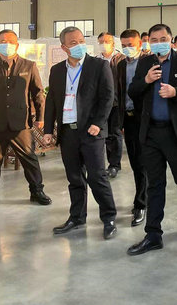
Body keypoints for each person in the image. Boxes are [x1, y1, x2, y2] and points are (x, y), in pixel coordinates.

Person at [127, 24, 177, 256]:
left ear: (171, 41)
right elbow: (133, 91)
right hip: (151, 132)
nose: (158, 42)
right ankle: (153, 235)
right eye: (154, 39)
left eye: (163, 39)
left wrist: (176, 92)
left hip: (176, 132)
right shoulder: (145, 63)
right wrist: (146, 80)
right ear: (148, 42)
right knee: (155, 184)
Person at [44, 27, 117, 240]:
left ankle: (109, 218)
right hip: (68, 131)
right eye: (73, 43)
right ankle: (77, 217)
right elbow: (51, 101)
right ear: (64, 47)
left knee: (97, 176)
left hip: (91, 131)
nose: (79, 45)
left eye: (81, 41)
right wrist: (48, 130)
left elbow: (108, 97)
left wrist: (98, 123)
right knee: (74, 177)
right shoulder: (57, 70)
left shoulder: (99, 66)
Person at [0, 30, 52, 211]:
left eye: (10, 41)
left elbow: (38, 93)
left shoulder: (29, 65)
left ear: (17, 45)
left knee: (29, 158)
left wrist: (41, 117)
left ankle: (37, 191)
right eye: (2, 41)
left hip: (21, 124)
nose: (6, 44)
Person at [117, 29, 147, 227]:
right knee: (135, 161)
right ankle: (141, 198)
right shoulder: (120, 65)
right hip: (127, 119)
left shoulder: (148, 63)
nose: (127, 48)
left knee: (144, 162)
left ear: (139, 44)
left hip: (144, 119)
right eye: (124, 45)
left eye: (131, 45)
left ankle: (141, 203)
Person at [97, 32, 125, 179]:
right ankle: (102, 164)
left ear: (113, 43)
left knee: (115, 134)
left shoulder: (121, 59)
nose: (104, 44)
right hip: (101, 104)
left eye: (107, 41)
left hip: (116, 103)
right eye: (101, 41)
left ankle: (114, 165)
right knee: (104, 135)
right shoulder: (96, 61)